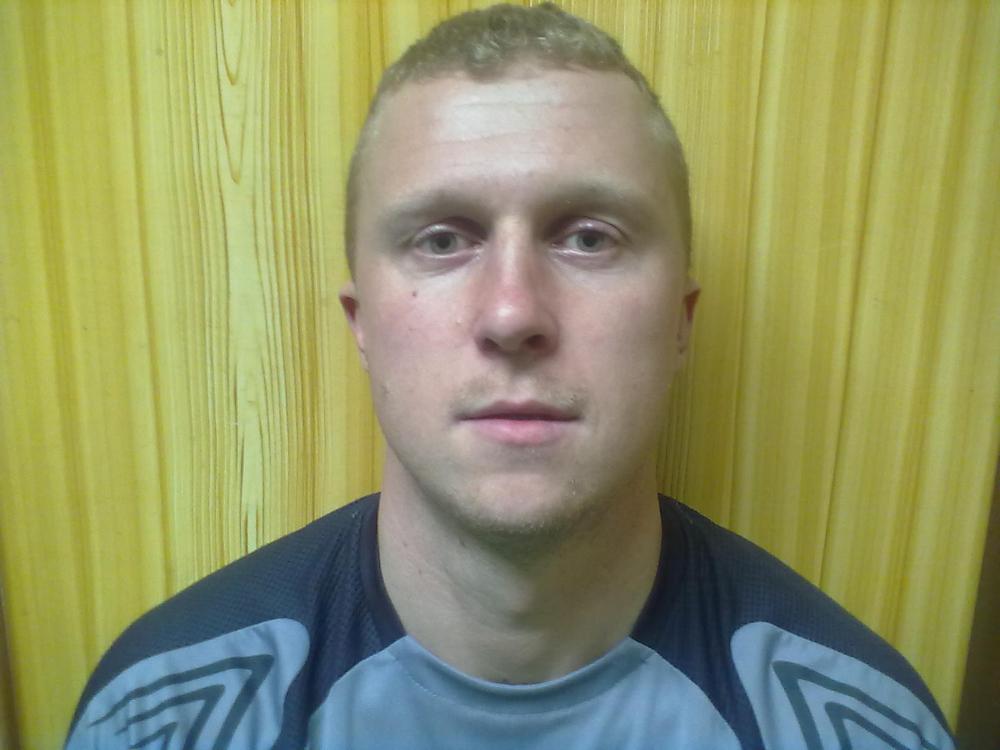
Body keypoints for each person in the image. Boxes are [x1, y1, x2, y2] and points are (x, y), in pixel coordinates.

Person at [66, 4, 954, 748]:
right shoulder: (160, 720)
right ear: (362, 324)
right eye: (442, 239)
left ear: (680, 323)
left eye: (589, 237)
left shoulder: (862, 728)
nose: (512, 313)